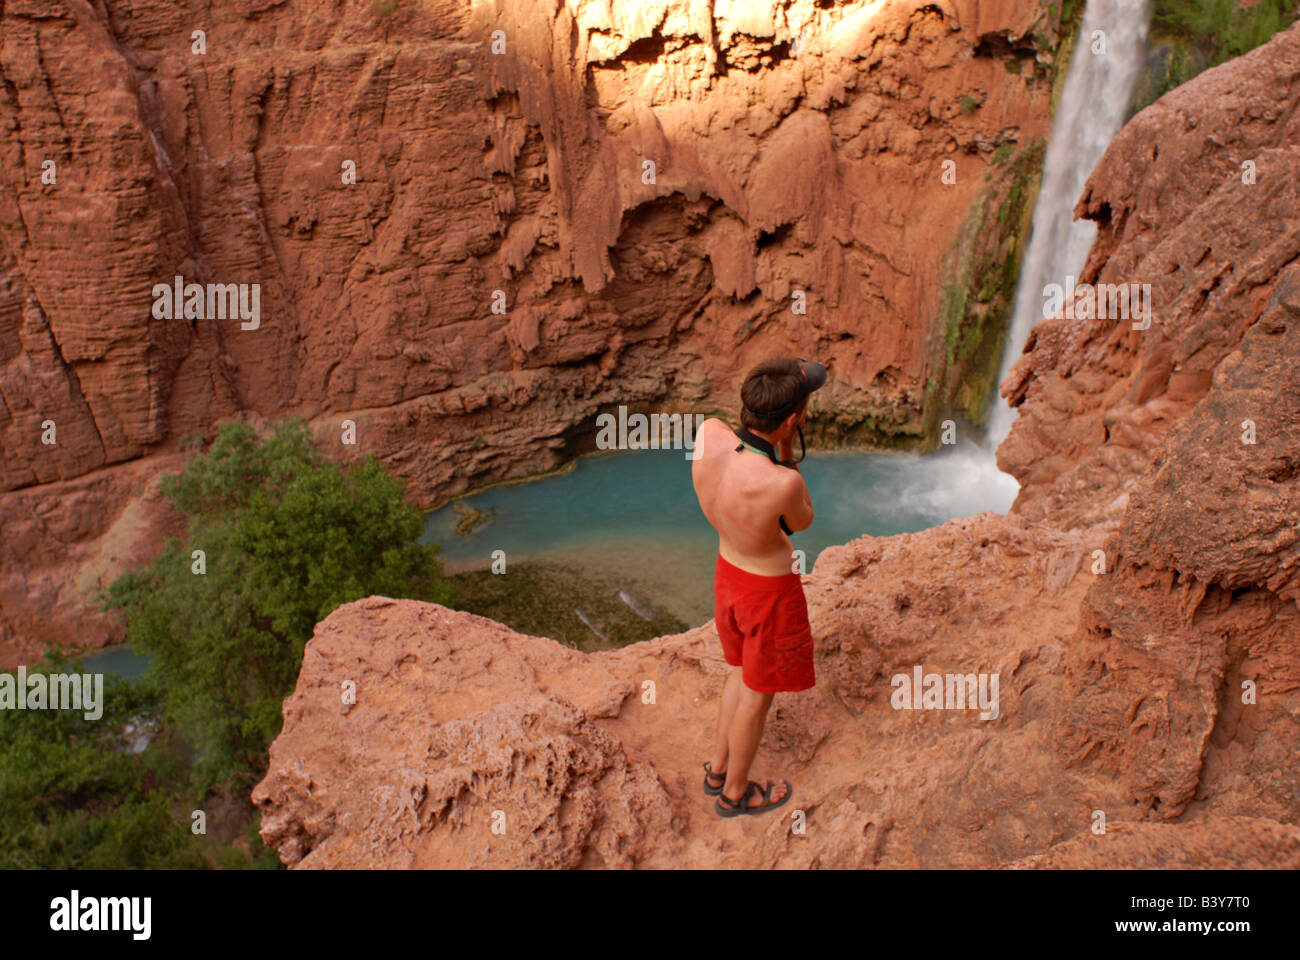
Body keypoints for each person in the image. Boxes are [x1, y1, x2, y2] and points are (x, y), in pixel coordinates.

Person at [690, 356, 826, 816]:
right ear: (792, 419)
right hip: (768, 592)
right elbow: (802, 522)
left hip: (726, 575)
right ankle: (736, 793)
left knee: (737, 673)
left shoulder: (709, 434)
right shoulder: (781, 482)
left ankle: (717, 768)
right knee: (756, 696)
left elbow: (738, 448)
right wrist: (785, 452)